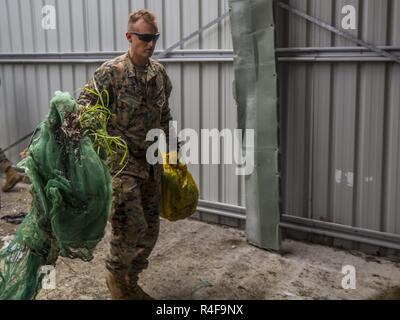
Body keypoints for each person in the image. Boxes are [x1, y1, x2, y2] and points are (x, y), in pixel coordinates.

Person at [77, 9, 175, 300]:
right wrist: (98, 146)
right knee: (129, 223)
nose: (151, 43)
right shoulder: (111, 72)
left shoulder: (159, 74)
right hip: (121, 164)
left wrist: (172, 150)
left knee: (151, 228)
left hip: (152, 162)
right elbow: (85, 105)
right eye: (145, 37)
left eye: (154, 37)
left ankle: (130, 281)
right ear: (129, 37)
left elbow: (165, 114)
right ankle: (116, 280)